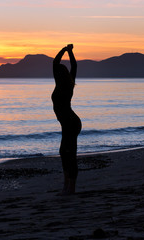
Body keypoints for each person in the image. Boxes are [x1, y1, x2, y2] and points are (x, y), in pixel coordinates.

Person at [52, 44, 82, 195]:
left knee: (69, 154)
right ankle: (66, 186)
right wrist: (69, 51)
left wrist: (65, 50)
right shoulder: (66, 82)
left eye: (58, 71)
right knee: (64, 152)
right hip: (69, 122)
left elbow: (56, 63)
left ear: (60, 74)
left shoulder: (65, 84)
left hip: (71, 122)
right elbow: (72, 65)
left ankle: (71, 188)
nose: (57, 71)